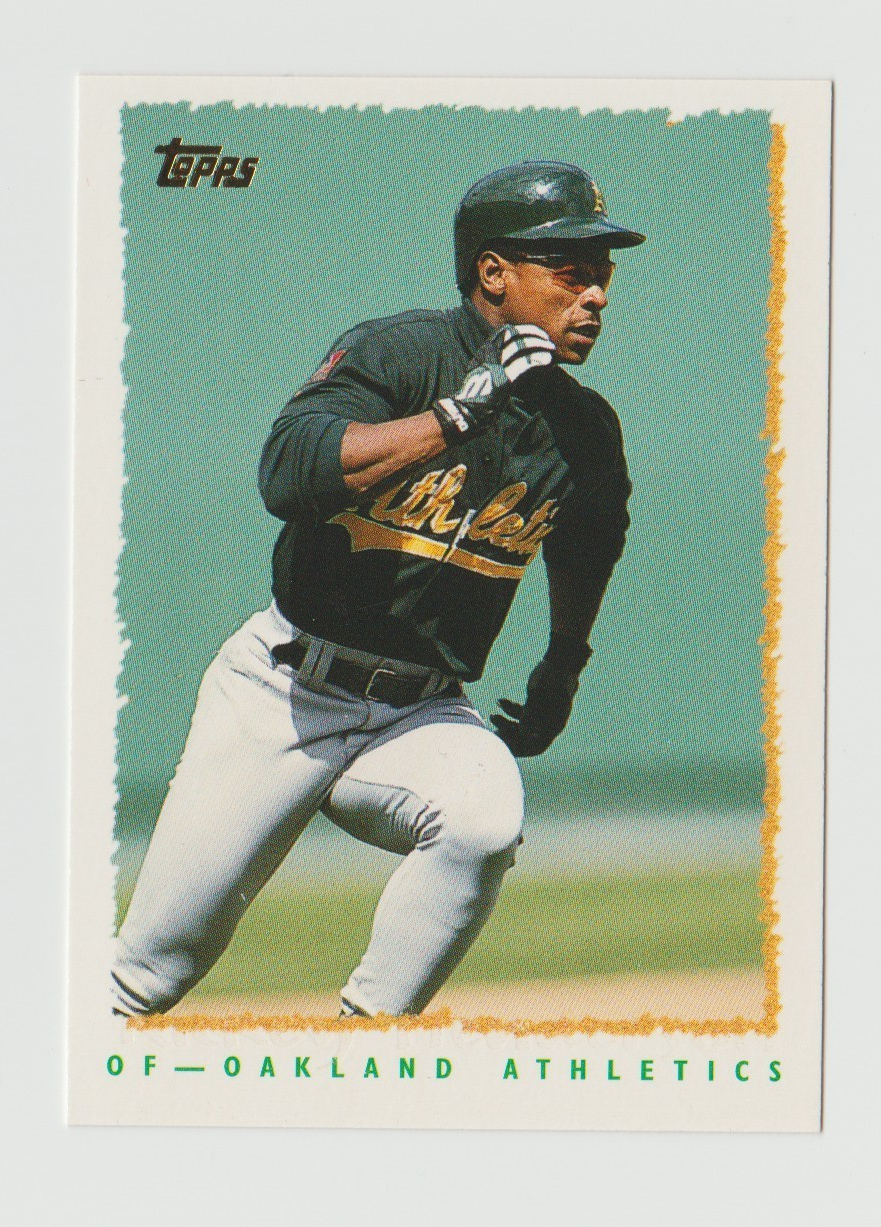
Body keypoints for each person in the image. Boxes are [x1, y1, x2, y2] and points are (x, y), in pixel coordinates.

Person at [111, 161, 645, 1019]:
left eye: (602, 274)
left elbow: (588, 541)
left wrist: (562, 663)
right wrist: (455, 414)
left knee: (481, 822)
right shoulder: (400, 353)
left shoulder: (582, 426)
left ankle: (364, 1049)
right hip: (284, 693)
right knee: (145, 977)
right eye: (570, 271)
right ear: (493, 272)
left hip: (420, 710)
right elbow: (289, 473)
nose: (595, 296)